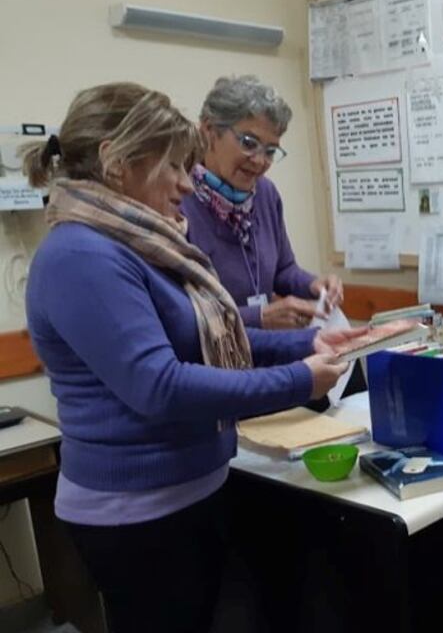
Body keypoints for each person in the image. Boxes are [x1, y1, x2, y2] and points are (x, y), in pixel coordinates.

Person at [22, 82, 366, 633]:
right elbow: (160, 386)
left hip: (193, 491)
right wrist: (299, 379)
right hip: (136, 513)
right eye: (173, 166)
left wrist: (310, 343)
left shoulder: (144, 243)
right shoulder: (81, 255)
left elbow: (209, 338)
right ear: (117, 161)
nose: (187, 183)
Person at [181, 75, 343, 330]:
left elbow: (283, 270)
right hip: (212, 351)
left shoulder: (266, 194)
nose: (259, 161)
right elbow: (181, 316)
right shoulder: (177, 198)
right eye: (249, 143)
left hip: (266, 346)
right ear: (209, 131)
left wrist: (313, 285)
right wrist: (258, 317)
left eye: (270, 151)